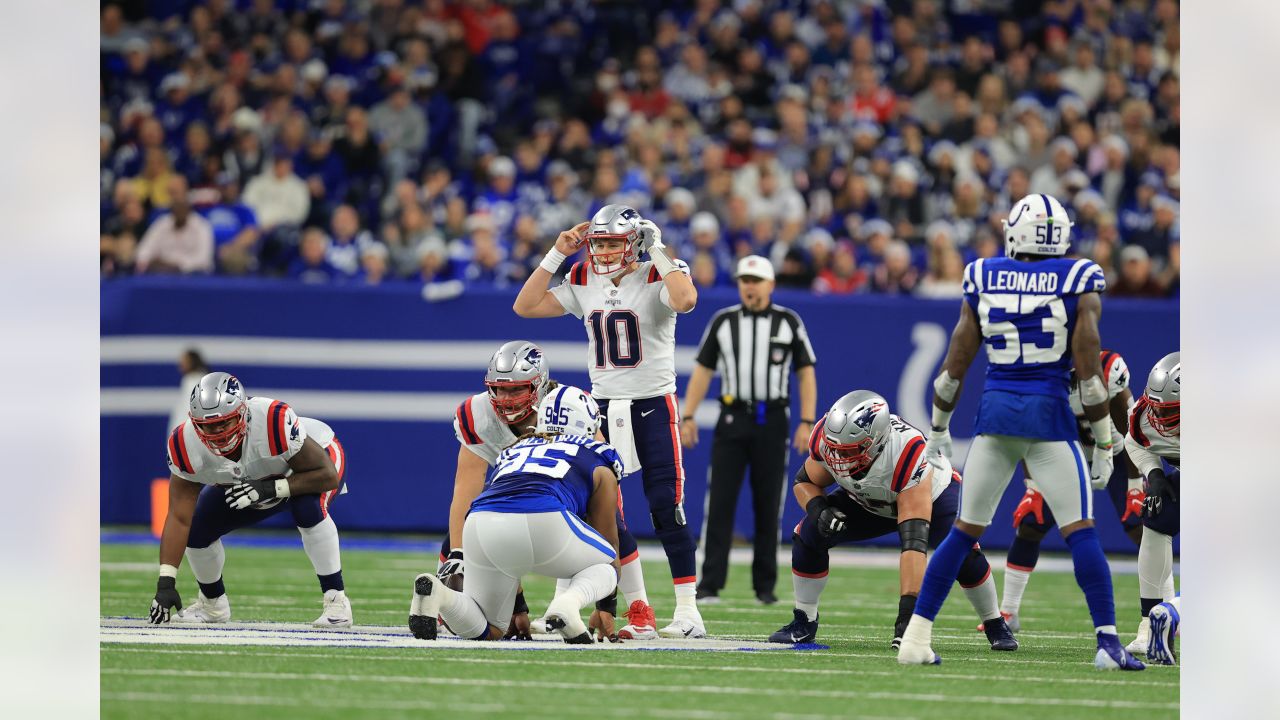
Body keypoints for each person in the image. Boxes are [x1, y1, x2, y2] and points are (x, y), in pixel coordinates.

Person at [897, 193, 1145, 671]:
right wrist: (1105, 444)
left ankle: (915, 637)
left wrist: (939, 429)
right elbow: (1090, 378)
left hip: (995, 418)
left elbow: (954, 366)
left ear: (1015, 231)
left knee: (963, 534)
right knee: (1081, 532)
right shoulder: (1079, 277)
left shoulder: (983, 274)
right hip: (1049, 421)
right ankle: (1108, 644)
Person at [513, 205, 706, 639]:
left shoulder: (659, 270)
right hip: (599, 407)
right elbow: (525, 306)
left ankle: (689, 611)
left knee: (665, 506)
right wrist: (556, 254)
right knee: (596, 510)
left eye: (612, 242)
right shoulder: (583, 277)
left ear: (635, 241)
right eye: (597, 242)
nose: (601, 251)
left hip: (653, 402)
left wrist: (658, 248)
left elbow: (687, 300)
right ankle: (623, 606)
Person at [766, 391, 1016, 651]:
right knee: (810, 533)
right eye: (835, 450)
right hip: (868, 499)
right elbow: (804, 482)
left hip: (931, 495)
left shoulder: (906, 454)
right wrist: (819, 510)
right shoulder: (828, 440)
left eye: (849, 451)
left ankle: (995, 623)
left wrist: (907, 619)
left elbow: (913, 547)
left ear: (876, 442)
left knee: (962, 557)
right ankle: (804, 621)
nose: (838, 460)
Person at [410, 387, 622, 644]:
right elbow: (609, 540)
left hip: (480, 523)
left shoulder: (514, 448)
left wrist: (517, 605)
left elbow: (512, 520)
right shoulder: (598, 456)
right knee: (608, 562)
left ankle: (440, 596)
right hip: (547, 519)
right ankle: (568, 604)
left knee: (490, 627)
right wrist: (606, 606)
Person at [148, 373, 352, 627]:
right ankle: (212, 606)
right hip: (249, 477)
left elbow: (327, 476)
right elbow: (179, 517)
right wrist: (166, 582)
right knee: (198, 528)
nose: (218, 432)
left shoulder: (272, 421)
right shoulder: (184, 445)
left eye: (225, 422)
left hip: (310, 463)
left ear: (243, 412)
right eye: (209, 426)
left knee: (307, 508)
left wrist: (272, 488)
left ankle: (337, 601)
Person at [681, 255, 818, 605]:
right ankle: (710, 583)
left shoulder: (788, 321)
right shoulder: (723, 321)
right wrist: (689, 415)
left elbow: (805, 371)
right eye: (744, 280)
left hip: (772, 419)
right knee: (720, 502)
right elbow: (702, 369)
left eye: (756, 280)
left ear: (770, 285)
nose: (749, 286)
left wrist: (806, 420)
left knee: (769, 502)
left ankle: (765, 587)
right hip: (732, 417)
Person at [994, 350, 1146, 631]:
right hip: (1066, 455)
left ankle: (1160, 609)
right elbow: (1031, 433)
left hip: (1118, 452)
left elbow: (1133, 432)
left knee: (1140, 524)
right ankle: (1008, 612)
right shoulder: (1041, 376)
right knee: (1032, 522)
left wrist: (1136, 486)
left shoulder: (1108, 368)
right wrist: (1033, 487)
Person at [438, 340, 554, 639]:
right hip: (511, 515)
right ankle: (447, 598)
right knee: (468, 532)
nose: (506, 398)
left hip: (561, 508)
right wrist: (459, 555)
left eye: (516, 389)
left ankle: (568, 606)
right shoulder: (478, 415)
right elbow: (466, 494)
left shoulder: (563, 412)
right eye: (500, 389)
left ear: (538, 385)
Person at [1122, 352, 1180, 662]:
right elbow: (1133, 441)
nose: (1159, 418)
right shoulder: (1144, 414)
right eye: (1156, 407)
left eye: (1170, 412)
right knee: (1156, 518)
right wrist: (1154, 475)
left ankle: (1169, 613)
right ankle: (1151, 623)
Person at [168, 349, 210, 434]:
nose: (181, 363)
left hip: (188, 435)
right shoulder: (189, 380)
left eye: (185, 360)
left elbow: (189, 411)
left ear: (192, 361)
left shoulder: (195, 381)